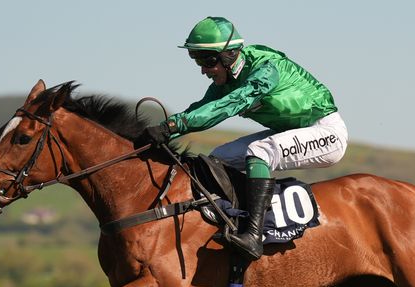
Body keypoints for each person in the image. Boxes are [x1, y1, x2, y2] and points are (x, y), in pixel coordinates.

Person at [136, 16, 348, 261]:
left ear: (229, 55)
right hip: (288, 131)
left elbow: (231, 104)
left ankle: (254, 235)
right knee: (218, 158)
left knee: (260, 151)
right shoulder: (226, 79)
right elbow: (204, 108)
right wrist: (166, 129)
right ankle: (233, 217)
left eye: (207, 60)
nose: (203, 69)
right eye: (197, 61)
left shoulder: (266, 68)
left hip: (326, 132)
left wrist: (172, 126)